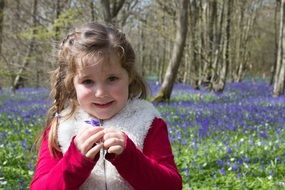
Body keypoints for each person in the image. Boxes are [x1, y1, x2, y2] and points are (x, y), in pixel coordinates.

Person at [30, 22, 182, 190]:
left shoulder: (148, 123)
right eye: (88, 81)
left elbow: (172, 186)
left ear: (129, 76)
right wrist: (76, 160)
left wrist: (129, 157)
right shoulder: (61, 128)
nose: (101, 93)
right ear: (72, 83)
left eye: (112, 79)